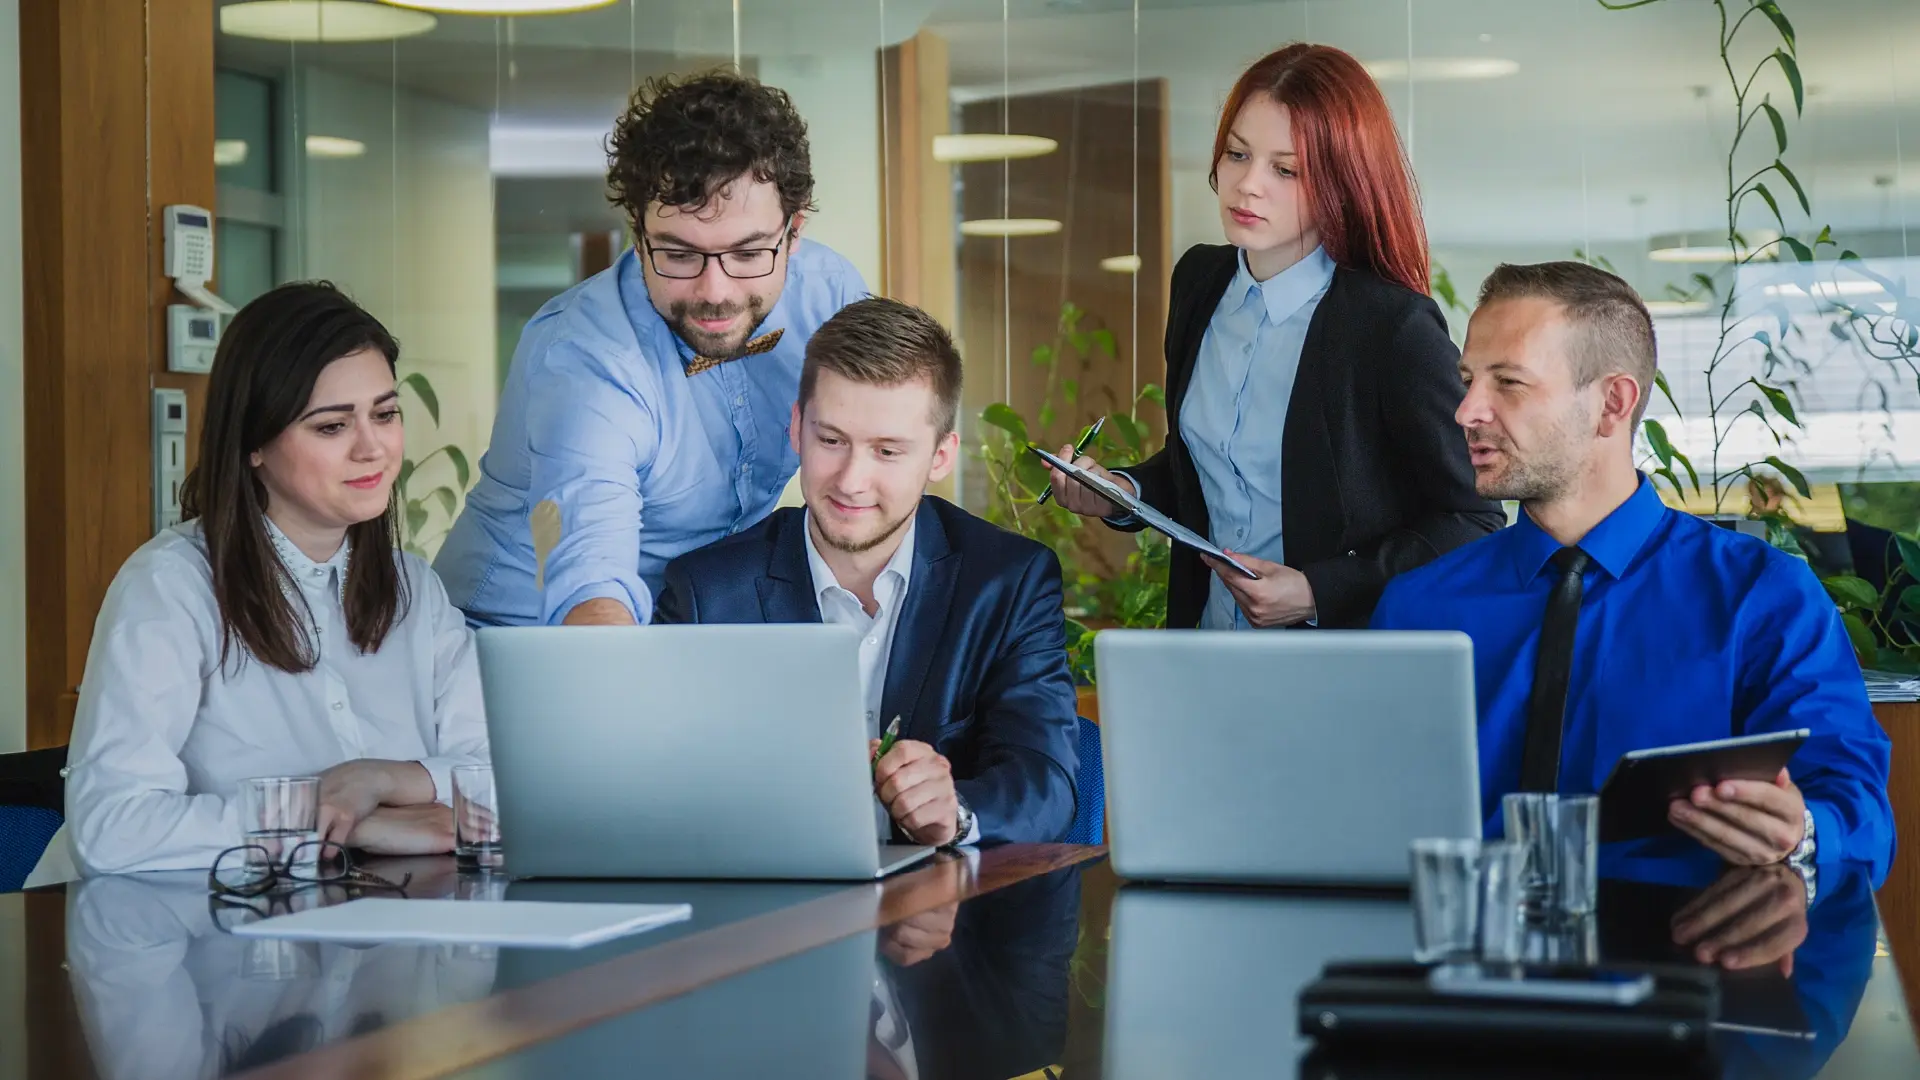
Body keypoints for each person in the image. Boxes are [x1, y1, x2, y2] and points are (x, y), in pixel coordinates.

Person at [1371, 261, 1894, 885]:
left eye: (1508, 382)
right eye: (1468, 380)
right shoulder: (1416, 609)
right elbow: (1365, 812)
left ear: (1611, 403)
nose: (1467, 411)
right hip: (1466, 963)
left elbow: (1860, 815)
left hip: (1688, 957)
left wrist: (1801, 831)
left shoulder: (1761, 596)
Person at [1045, 43, 1501, 629]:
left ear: (1344, 181)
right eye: (1237, 154)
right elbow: (1211, 473)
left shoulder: (1389, 325)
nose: (1247, 185)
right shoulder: (1199, 283)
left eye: (1285, 169)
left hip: (1333, 671)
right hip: (1207, 646)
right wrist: (1123, 491)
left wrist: (1319, 590)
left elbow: (1473, 520)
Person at [64, 283, 489, 875]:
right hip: (158, 939)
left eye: (385, 414)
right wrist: (336, 823)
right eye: (331, 427)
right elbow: (111, 830)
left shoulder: (415, 588)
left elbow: (501, 778)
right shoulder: (170, 588)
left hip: (365, 922)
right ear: (254, 444)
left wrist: (380, 780)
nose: (374, 448)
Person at [435, 71, 867, 627]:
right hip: (516, 643)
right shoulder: (587, 358)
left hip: (686, 624)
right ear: (638, 235)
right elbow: (591, 583)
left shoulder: (829, 295)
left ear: (794, 231)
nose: (716, 292)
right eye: (679, 254)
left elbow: (888, 447)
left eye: (748, 252)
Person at [654, 297, 1079, 847]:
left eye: (887, 451)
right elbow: (660, 785)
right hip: (764, 916)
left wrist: (958, 812)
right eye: (831, 441)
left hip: (945, 917)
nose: (851, 480)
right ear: (796, 428)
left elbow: (1045, 779)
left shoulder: (1008, 582)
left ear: (941, 457)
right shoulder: (704, 593)